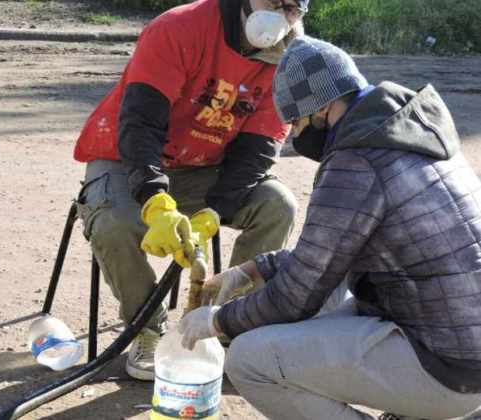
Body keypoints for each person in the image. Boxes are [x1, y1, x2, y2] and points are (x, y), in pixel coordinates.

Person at [179, 36, 481, 419]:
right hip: (458, 339)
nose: (295, 134)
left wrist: (220, 322)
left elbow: (296, 295)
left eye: (297, 120)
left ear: (322, 107)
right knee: (324, 299)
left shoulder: (357, 160)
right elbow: (328, 254)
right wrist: (252, 269)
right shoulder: (408, 134)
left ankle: (426, 406)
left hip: (447, 367)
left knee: (249, 359)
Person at [72, 0, 310, 380]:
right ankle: (146, 328)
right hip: (125, 157)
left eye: (291, 7)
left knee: (277, 205)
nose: (279, 16)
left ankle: (225, 323)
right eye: (272, 0)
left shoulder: (290, 59)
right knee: (114, 224)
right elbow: (140, 124)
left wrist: (216, 210)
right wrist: (153, 200)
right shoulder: (179, 27)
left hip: (206, 167)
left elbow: (258, 150)